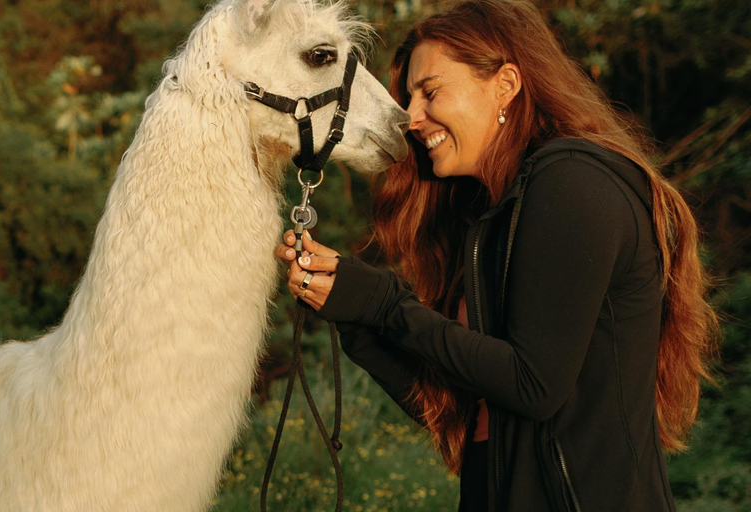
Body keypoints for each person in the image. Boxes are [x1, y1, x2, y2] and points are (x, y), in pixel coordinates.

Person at [276, 1, 719, 510]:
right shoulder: (492, 216)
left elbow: (533, 385)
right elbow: (464, 410)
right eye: (410, 96)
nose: (411, 116)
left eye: (430, 91)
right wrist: (353, 316)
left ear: (505, 84)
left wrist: (384, 303)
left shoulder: (573, 182)